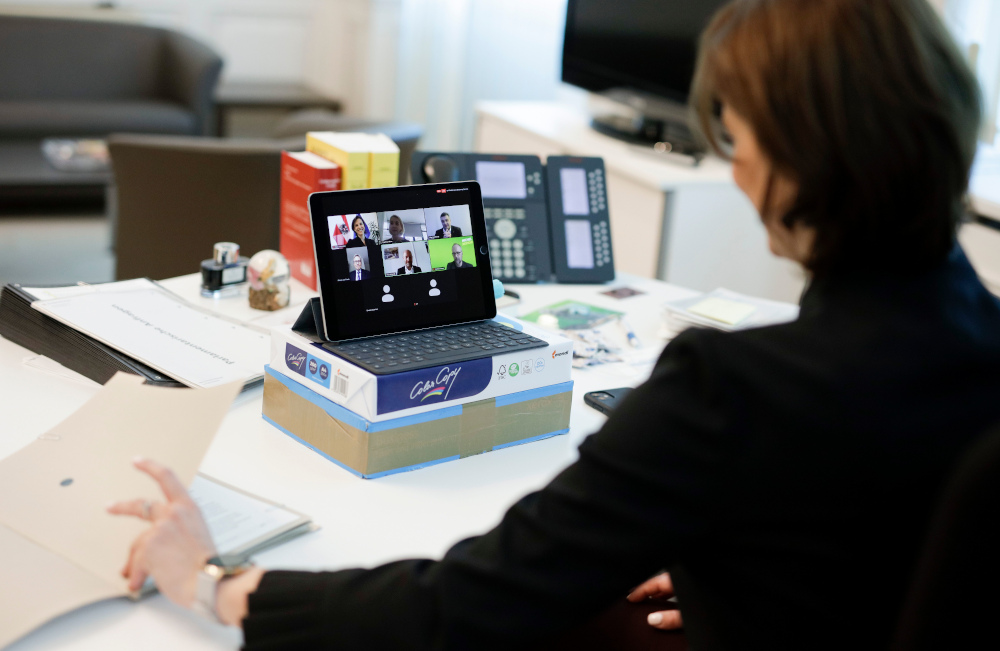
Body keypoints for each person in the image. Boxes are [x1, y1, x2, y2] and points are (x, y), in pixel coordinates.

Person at [108, 1, 1000, 649]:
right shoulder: (977, 339)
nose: (736, 170)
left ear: (801, 161)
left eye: (741, 138)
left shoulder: (731, 391)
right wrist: (767, 583)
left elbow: (464, 605)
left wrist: (218, 582)